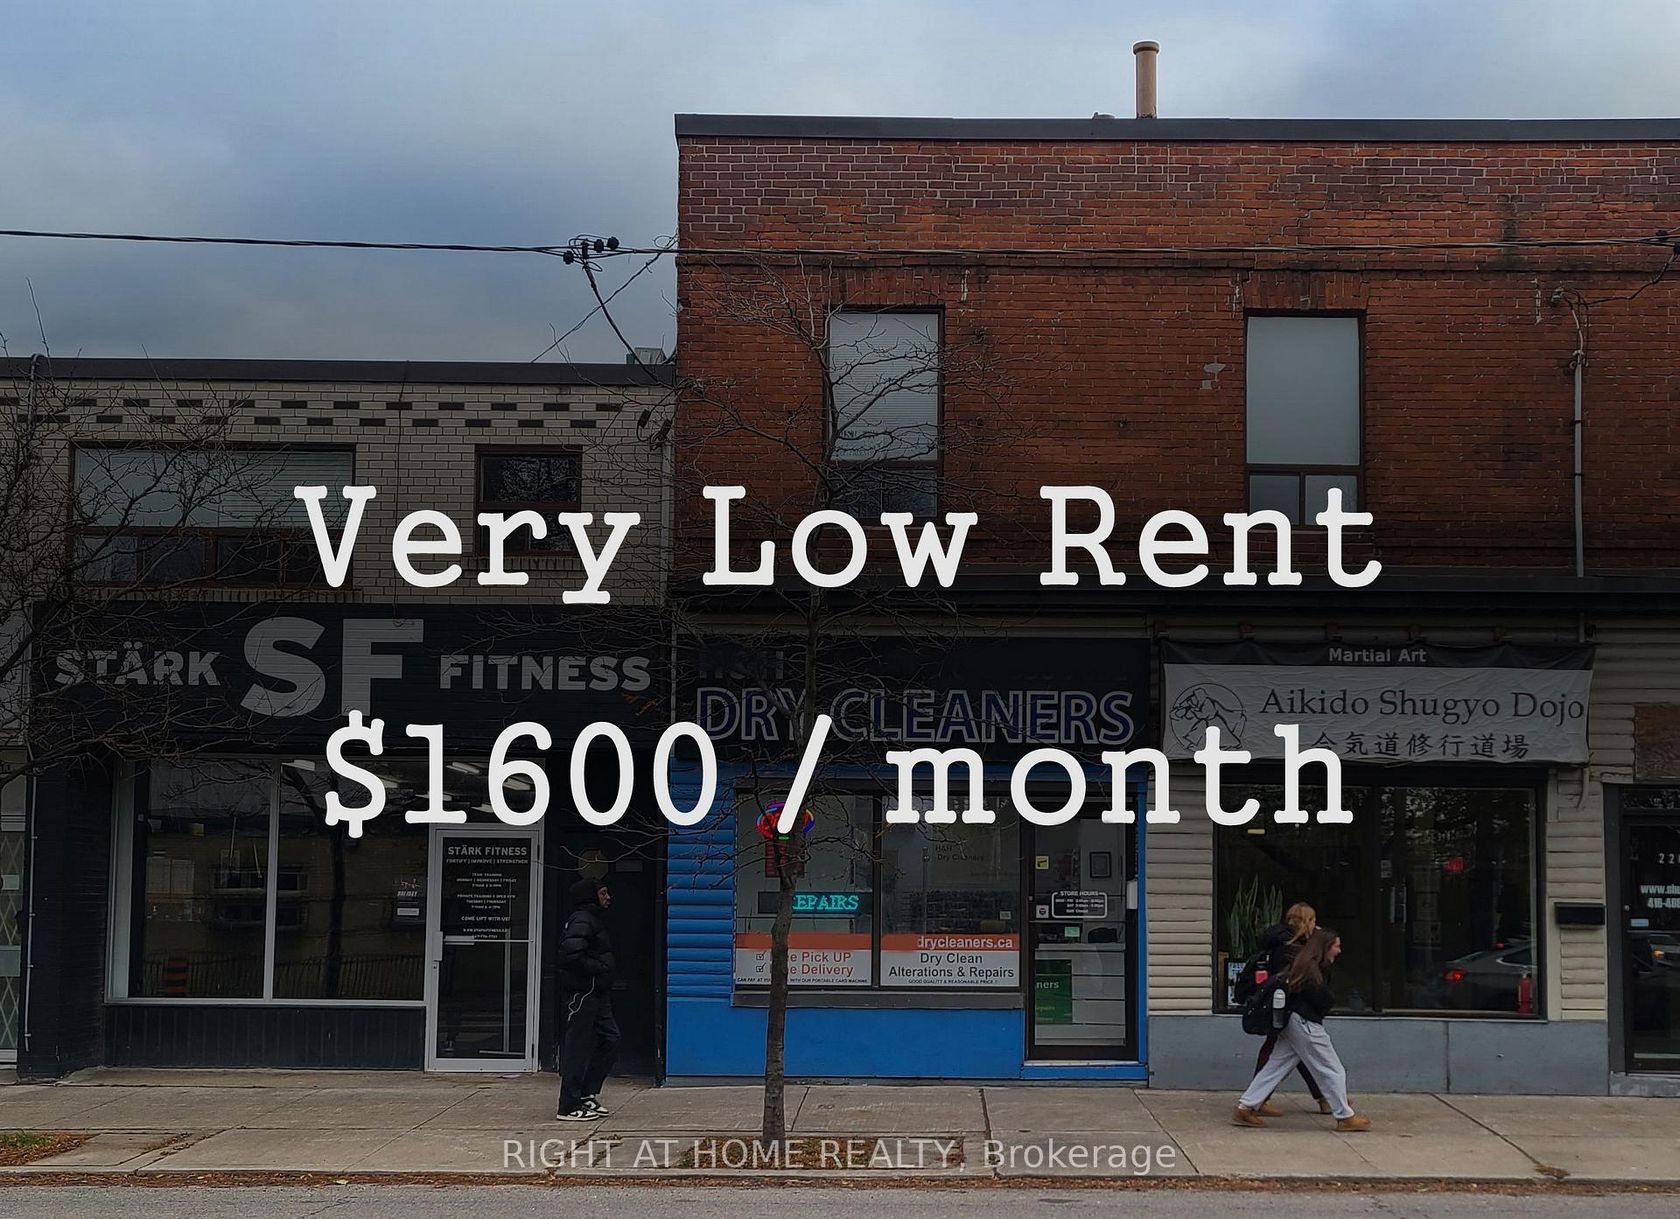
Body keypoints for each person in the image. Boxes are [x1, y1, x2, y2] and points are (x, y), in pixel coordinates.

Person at [1233, 928, 1372, 1132]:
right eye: (1336, 946)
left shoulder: (1303, 963)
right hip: (1305, 1022)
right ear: (1325, 947)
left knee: (1276, 1066)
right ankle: (1344, 1116)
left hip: (1291, 1022)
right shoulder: (1312, 969)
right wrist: (1329, 1000)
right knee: (1332, 1068)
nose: (1339, 950)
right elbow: (1321, 999)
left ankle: (1246, 1107)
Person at [1252, 902, 1329, 1116]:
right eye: (1313, 920)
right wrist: (1318, 944)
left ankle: (1324, 1096)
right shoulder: (1291, 947)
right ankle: (1257, 1099)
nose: (1316, 924)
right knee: (1281, 1050)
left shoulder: (1285, 942)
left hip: (1284, 1004)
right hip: (1287, 1006)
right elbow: (1308, 975)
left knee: (1296, 1051)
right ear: (1307, 921)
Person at [556, 878, 620, 1121]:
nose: (608, 897)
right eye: (603, 893)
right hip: (583, 993)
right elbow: (570, 954)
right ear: (590, 896)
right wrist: (599, 969)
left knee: (611, 1039)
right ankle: (568, 1105)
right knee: (577, 1047)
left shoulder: (592, 919)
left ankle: (585, 1093)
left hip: (598, 992)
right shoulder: (582, 919)